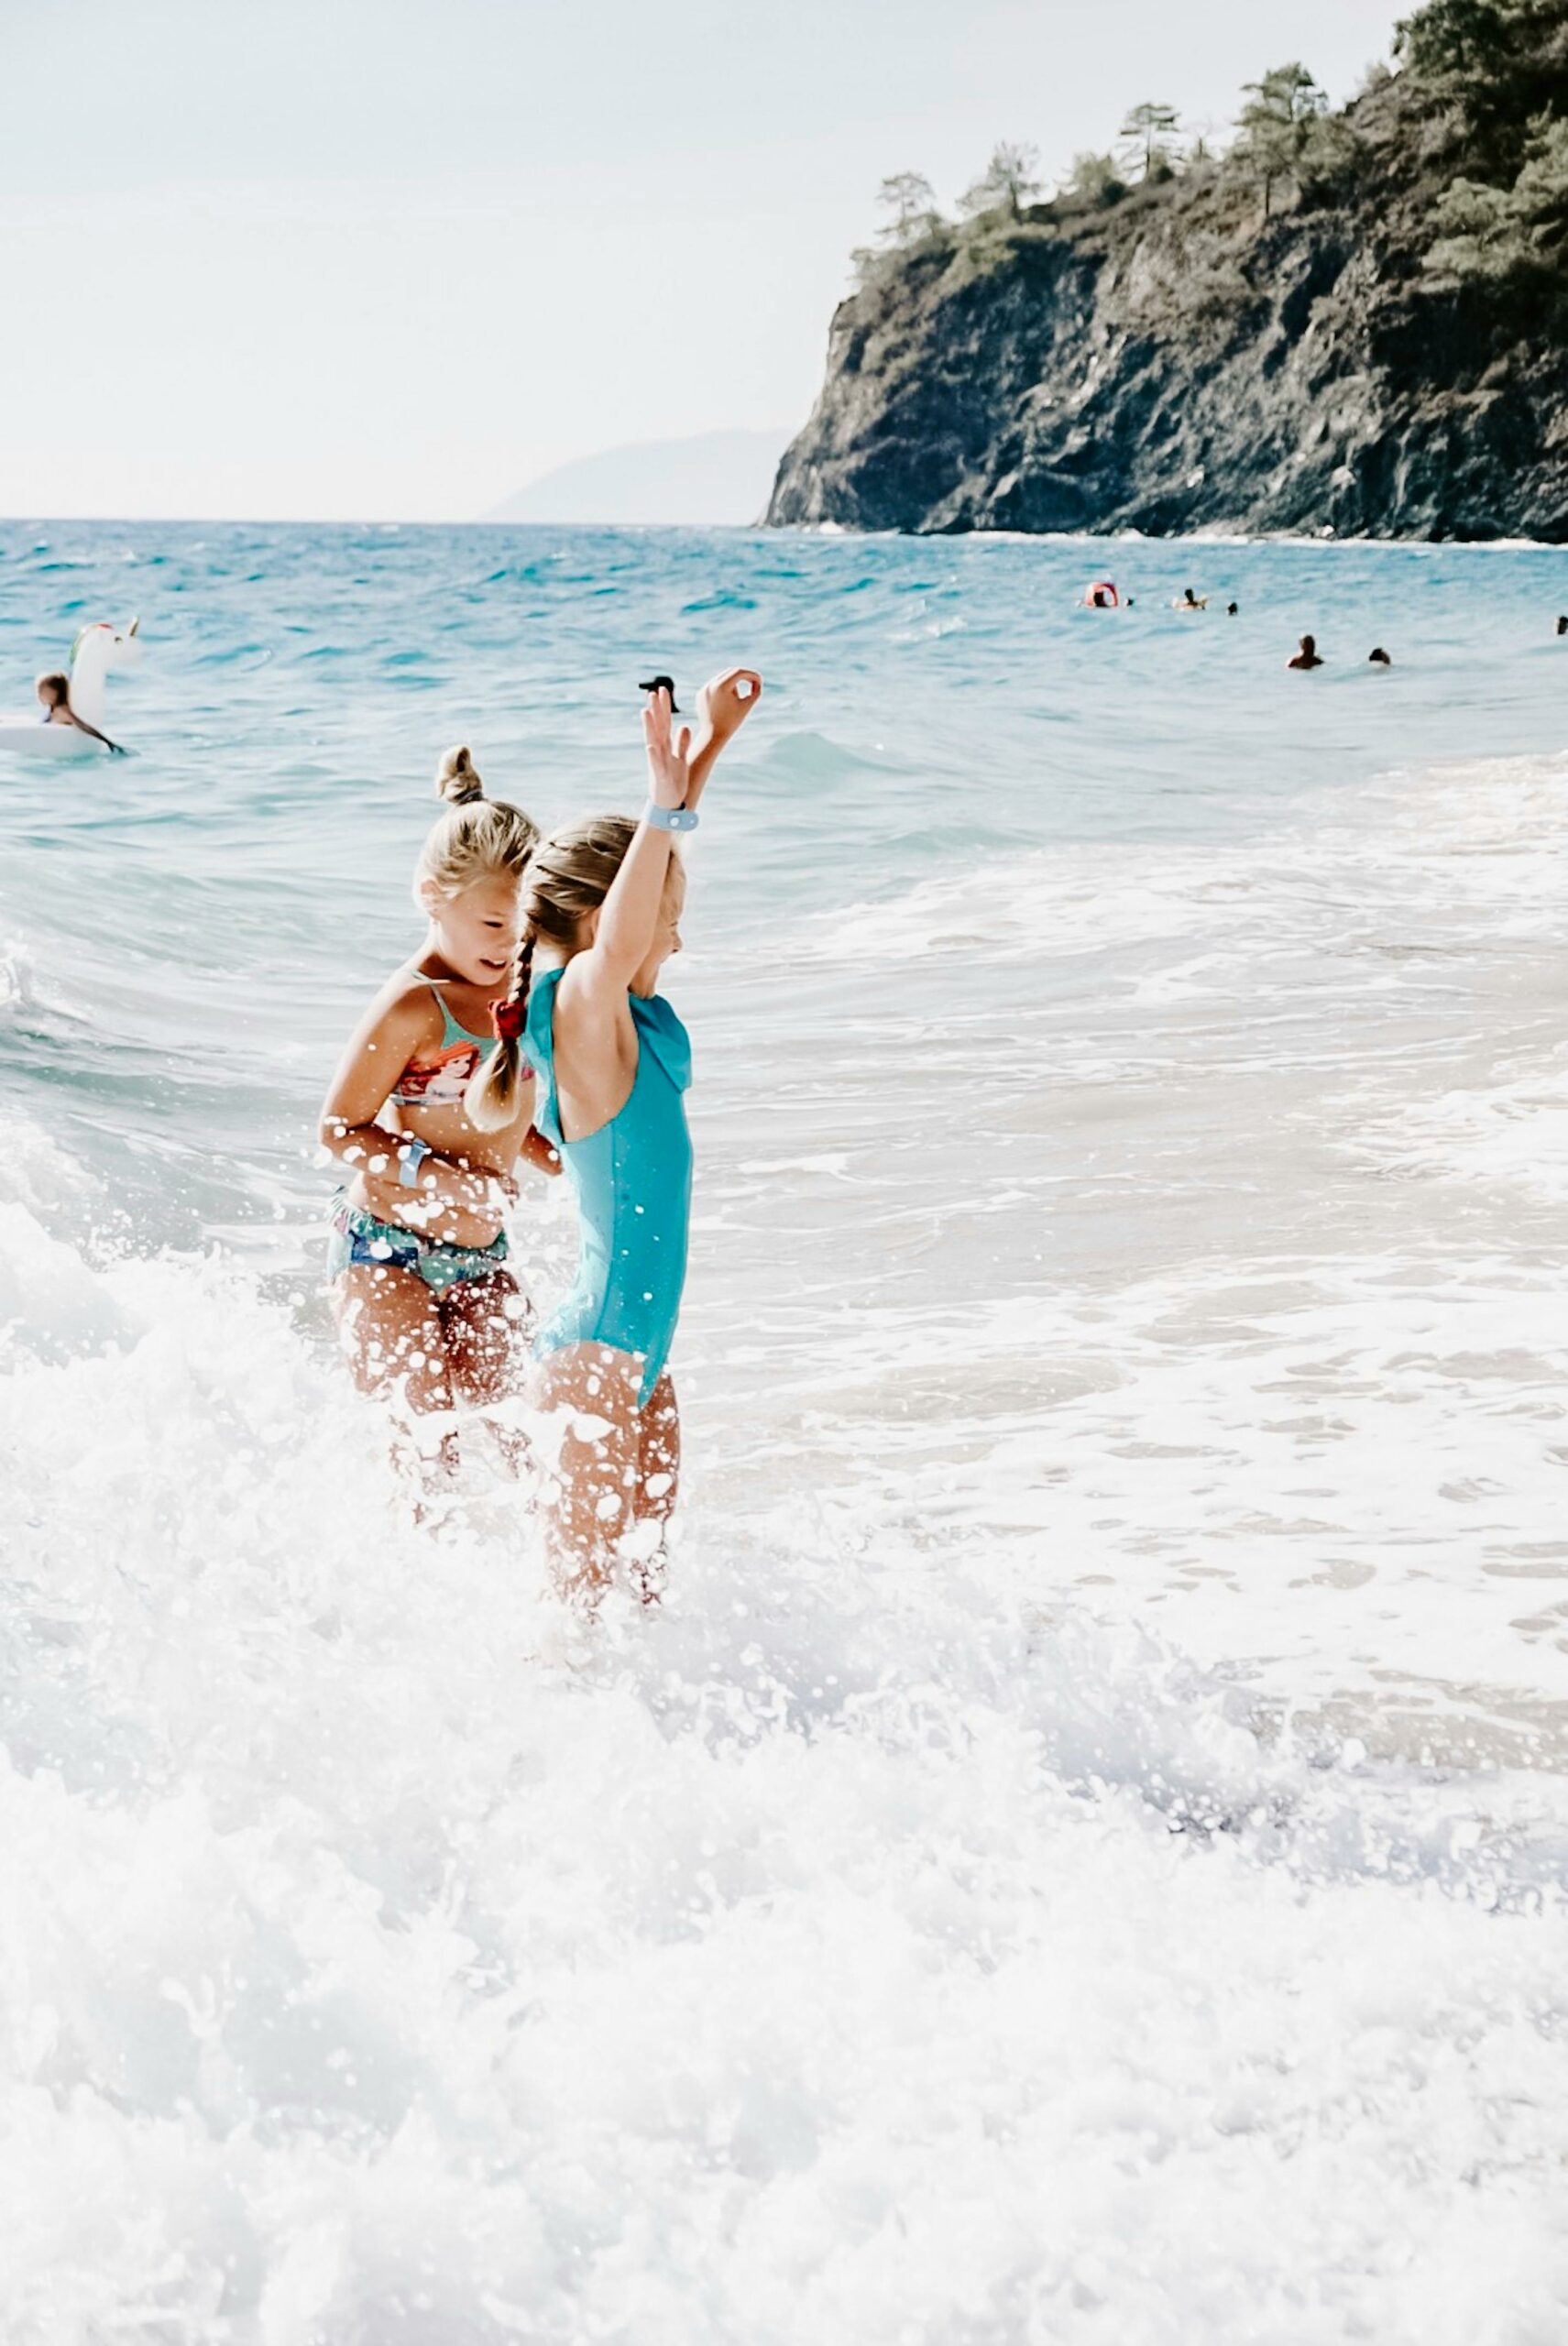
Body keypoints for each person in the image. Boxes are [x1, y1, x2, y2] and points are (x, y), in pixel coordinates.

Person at [467, 668, 762, 1600]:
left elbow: (643, 891)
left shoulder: (620, 1020)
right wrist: (659, 804)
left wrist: (709, 747)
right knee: (575, 1616)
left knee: (639, 1605)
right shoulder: (584, 1017)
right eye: (666, 925)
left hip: (637, 1366)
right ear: (609, 927)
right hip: (592, 1363)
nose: (675, 942)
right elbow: (629, 923)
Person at [318, 747, 558, 1484]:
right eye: (492, 923)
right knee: (424, 1459)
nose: (510, 946)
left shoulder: (520, 995)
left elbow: (498, 1116)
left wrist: (561, 1155)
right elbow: (337, 1129)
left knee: (528, 1444)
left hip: (481, 1257)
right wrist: (444, 1181)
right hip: (385, 1252)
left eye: (525, 931)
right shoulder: (414, 1005)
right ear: (431, 895)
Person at [37, 669, 125, 752]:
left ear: (54, 692)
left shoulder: (62, 711)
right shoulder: (52, 710)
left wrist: (108, 743)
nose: (38, 695)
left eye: (41, 691)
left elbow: (84, 726)